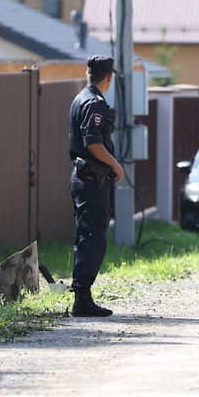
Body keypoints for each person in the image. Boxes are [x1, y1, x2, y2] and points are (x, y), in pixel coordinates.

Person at [68, 55, 125, 317]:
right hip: (91, 179)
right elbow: (93, 143)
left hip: (86, 178)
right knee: (93, 239)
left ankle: (83, 296)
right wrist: (115, 164)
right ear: (109, 77)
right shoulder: (94, 103)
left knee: (87, 237)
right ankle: (82, 299)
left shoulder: (82, 97)